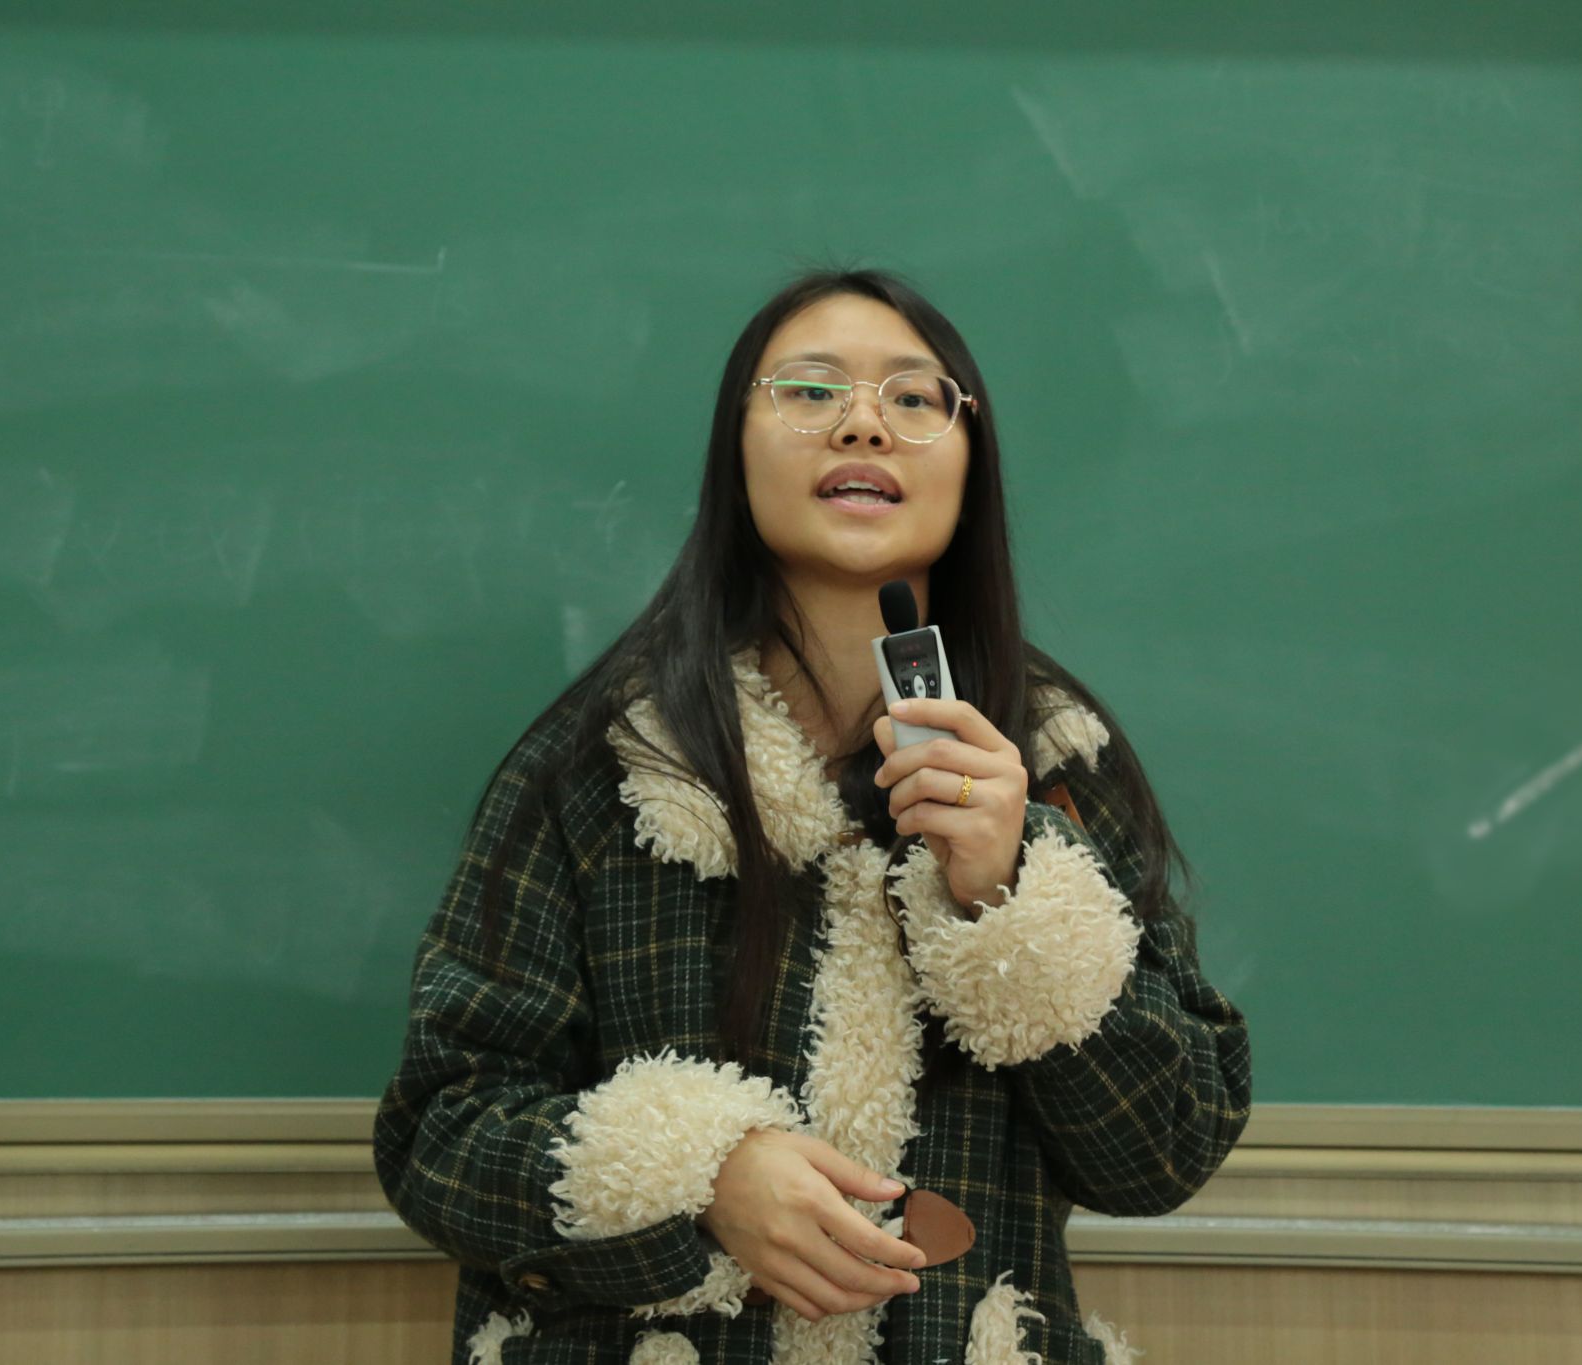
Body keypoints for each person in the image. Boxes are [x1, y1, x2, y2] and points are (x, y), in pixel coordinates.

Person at [373, 269, 1251, 1364]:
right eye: (809, 390)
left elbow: (1163, 1153)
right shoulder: (605, 760)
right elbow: (440, 1133)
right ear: (733, 449)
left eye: (914, 398)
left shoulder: (1058, 759)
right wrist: (701, 1175)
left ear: (971, 462)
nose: (863, 424)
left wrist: (1015, 888)